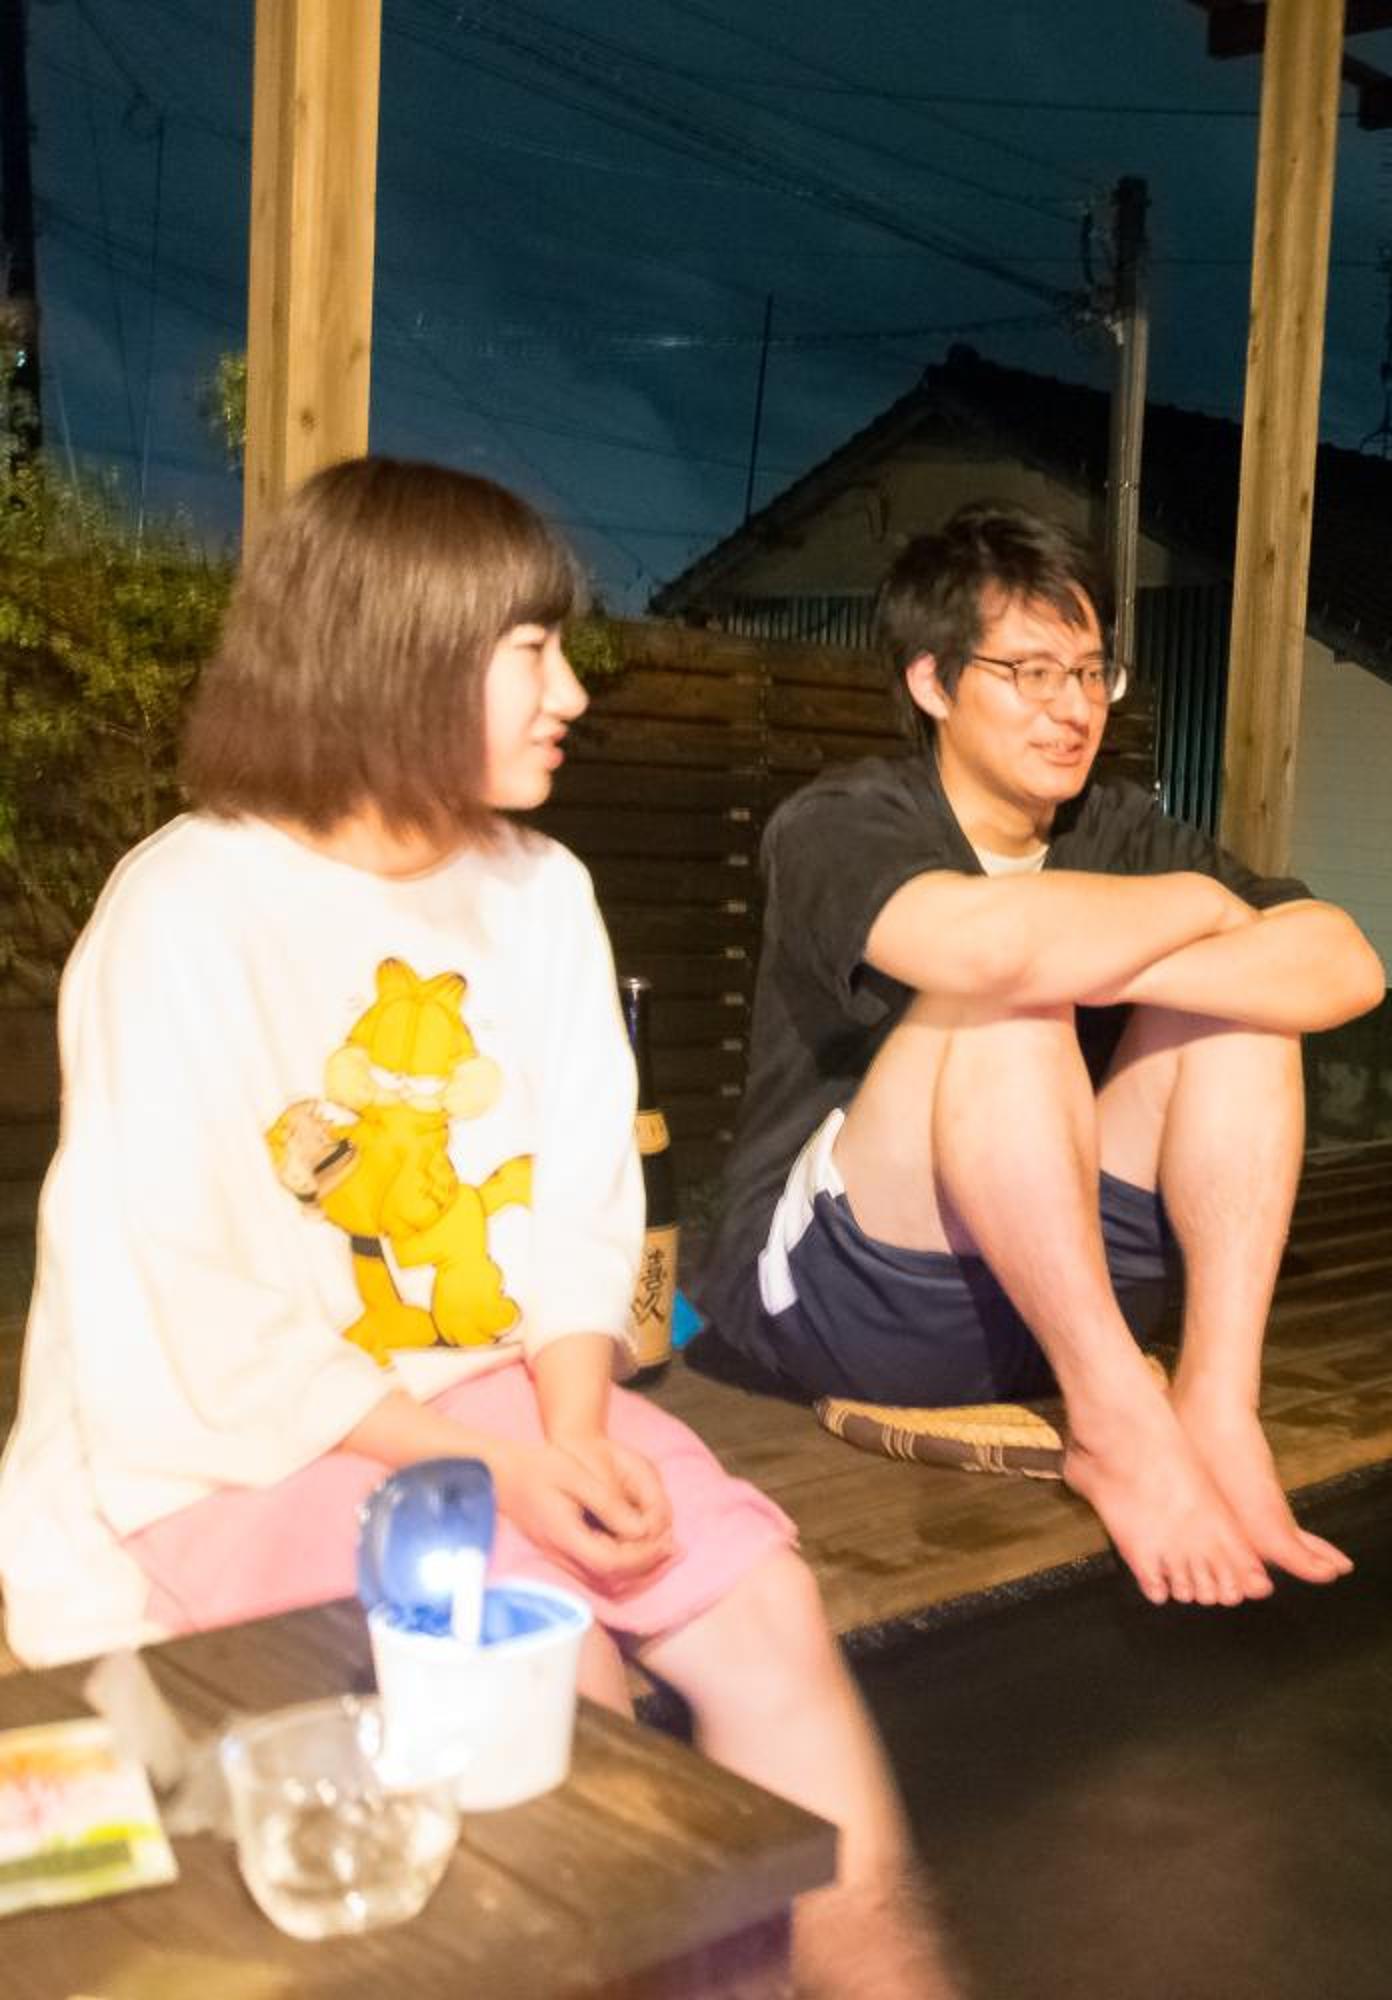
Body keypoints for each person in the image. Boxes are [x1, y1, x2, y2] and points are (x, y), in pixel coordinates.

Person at [0, 458, 955, 1998]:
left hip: (500, 1396)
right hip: (228, 1442)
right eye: (531, 652)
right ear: (401, 654)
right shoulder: (185, 912)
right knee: (549, 1668)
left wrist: (569, 1431)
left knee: (769, 1612)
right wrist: (502, 1473)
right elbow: (193, 1310)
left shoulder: (541, 888)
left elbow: (583, 1200)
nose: (571, 692)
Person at [690, 502, 1385, 1611]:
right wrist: (1200, 906)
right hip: (859, 1302)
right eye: (1030, 673)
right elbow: (980, 949)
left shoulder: (1117, 827)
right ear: (933, 682)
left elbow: (1344, 966)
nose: (1073, 708)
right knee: (1003, 1003)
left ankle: (1217, 1400)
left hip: (1065, 1290)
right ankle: (1116, 1422)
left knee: (1248, 1015)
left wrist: (1130, 961)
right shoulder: (841, 821)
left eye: (1091, 671)